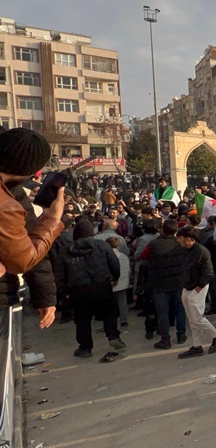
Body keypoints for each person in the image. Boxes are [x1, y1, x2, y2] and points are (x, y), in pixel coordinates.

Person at [0, 128, 66, 329]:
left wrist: (44, 296)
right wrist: (52, 219)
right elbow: (23, 259)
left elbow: (28, 233)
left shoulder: (13, 192)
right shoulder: (7, 206)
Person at [58, 218, 126, 357]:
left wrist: (64, 291)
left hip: (78, 289)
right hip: (102, 285)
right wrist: (115, 277)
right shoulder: (102, 245)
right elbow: (114, 263)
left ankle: (85, 348)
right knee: (109, 312)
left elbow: (60, 273)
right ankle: (113, 336)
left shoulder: (66, 250)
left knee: (82, 319)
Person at [176, 226, 216, 359]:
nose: (178, 241)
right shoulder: (187, 250)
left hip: (197, 287)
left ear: (187, 239)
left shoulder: (201, 251)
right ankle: (197, 346)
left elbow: (208, 273)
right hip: (187, 286)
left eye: (179, 238)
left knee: (197, 318)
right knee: (192, 319)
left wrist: (199, 287)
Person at [143, 219, 187, 348]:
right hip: (178, 281)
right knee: (180, 309)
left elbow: (143, 256)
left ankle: (165, 339)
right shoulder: (180, 244)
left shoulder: (154, 244)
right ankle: (181, 334)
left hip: (159, 282)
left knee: (162, 311)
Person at [106, 236, 131, 328]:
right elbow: (128, 270)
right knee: (122, 302)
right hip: (123, 282)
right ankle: (124, 320)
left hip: (111, 283)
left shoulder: (106, 256)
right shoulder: (124, 256)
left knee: (110, 304)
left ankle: (111, 322)